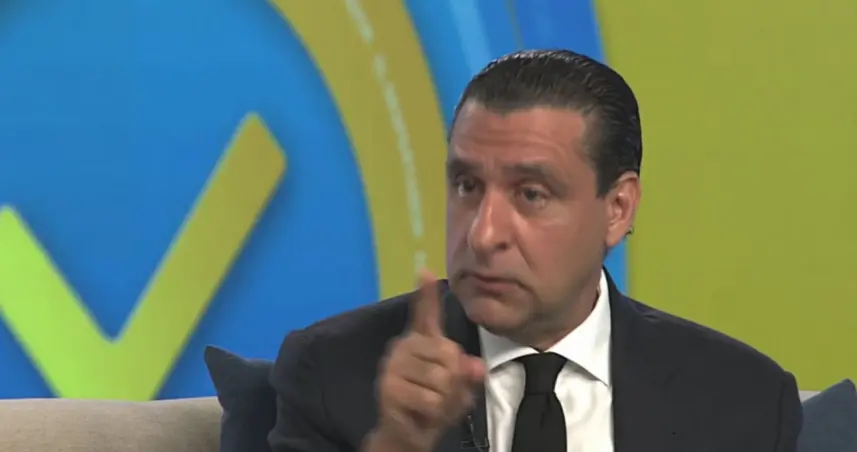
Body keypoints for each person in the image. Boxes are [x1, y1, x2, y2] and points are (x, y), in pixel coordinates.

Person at [267, 49, 802, 452]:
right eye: (466, 186)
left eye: (531, 194)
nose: (483, 235)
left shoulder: (740, 401)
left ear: (617, 209)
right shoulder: (332, 376)